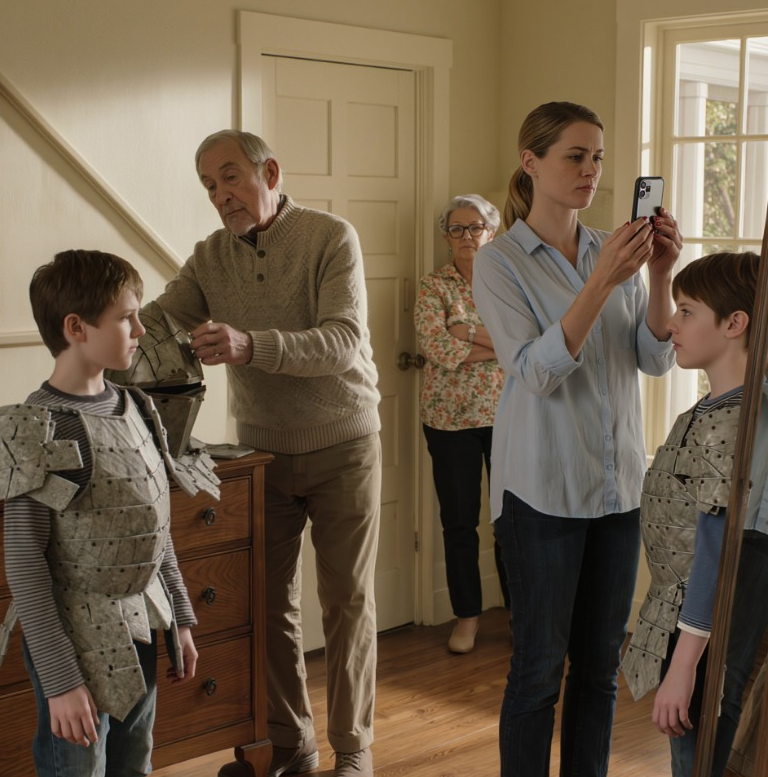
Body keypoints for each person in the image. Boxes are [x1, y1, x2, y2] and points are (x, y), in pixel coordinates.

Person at [154, 129, 381, 777]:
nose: (220, 194)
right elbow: (159, 321)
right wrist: (97, 323)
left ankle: (355, 749)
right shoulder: (209, 257)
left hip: (344, 442)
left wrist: (250, 345)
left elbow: (342, 340)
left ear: (270, 173)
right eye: (208, 185)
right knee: (267, 603)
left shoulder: (331, 237)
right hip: (261, 454)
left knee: (347, 601)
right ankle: (291, 741)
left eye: (229, 177)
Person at [471, 101, 683, 777]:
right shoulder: (498, 263)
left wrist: (658, 275)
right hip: (541, 493)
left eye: (598, 158)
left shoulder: (611, 250)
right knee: (538, 671)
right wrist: (600, 283)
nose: (591, 170)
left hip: (618, 490)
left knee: (598, 670)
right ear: (531, 162)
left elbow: (653, 358)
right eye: (575, 156)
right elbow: (534, 373)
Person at [0, 249, 201, 776]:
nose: (141, 329)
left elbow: (154, 525)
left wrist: (180, 616)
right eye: (126, 317)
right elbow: (25, 564)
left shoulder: (138, 407)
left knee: (134, 764)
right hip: (72, 640)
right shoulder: (38, 429)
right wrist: (61, 680)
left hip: (143, 621)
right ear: (76, 328)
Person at [622, 252, 768, 777]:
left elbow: (712, 554)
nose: (671, 324)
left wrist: (682, 667)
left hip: (697, 610)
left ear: (735, 324)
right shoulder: (705, 411)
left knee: (701, 725)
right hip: (679, 604)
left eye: (687, 311)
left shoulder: (728, 427)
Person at [414, 193, 509, 654]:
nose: (466, 236)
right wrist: (497, 345)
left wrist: (466, 331)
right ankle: (467, 617)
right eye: (457, 228)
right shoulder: (434, 286)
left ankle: (519, 615)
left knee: (511, 522)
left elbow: (524, 341)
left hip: (508, 417)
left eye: (475, 227)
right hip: (449, 421)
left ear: (491, 233)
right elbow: (435, 346)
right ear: (446, 237)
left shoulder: (509, 284)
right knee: (459, 524)